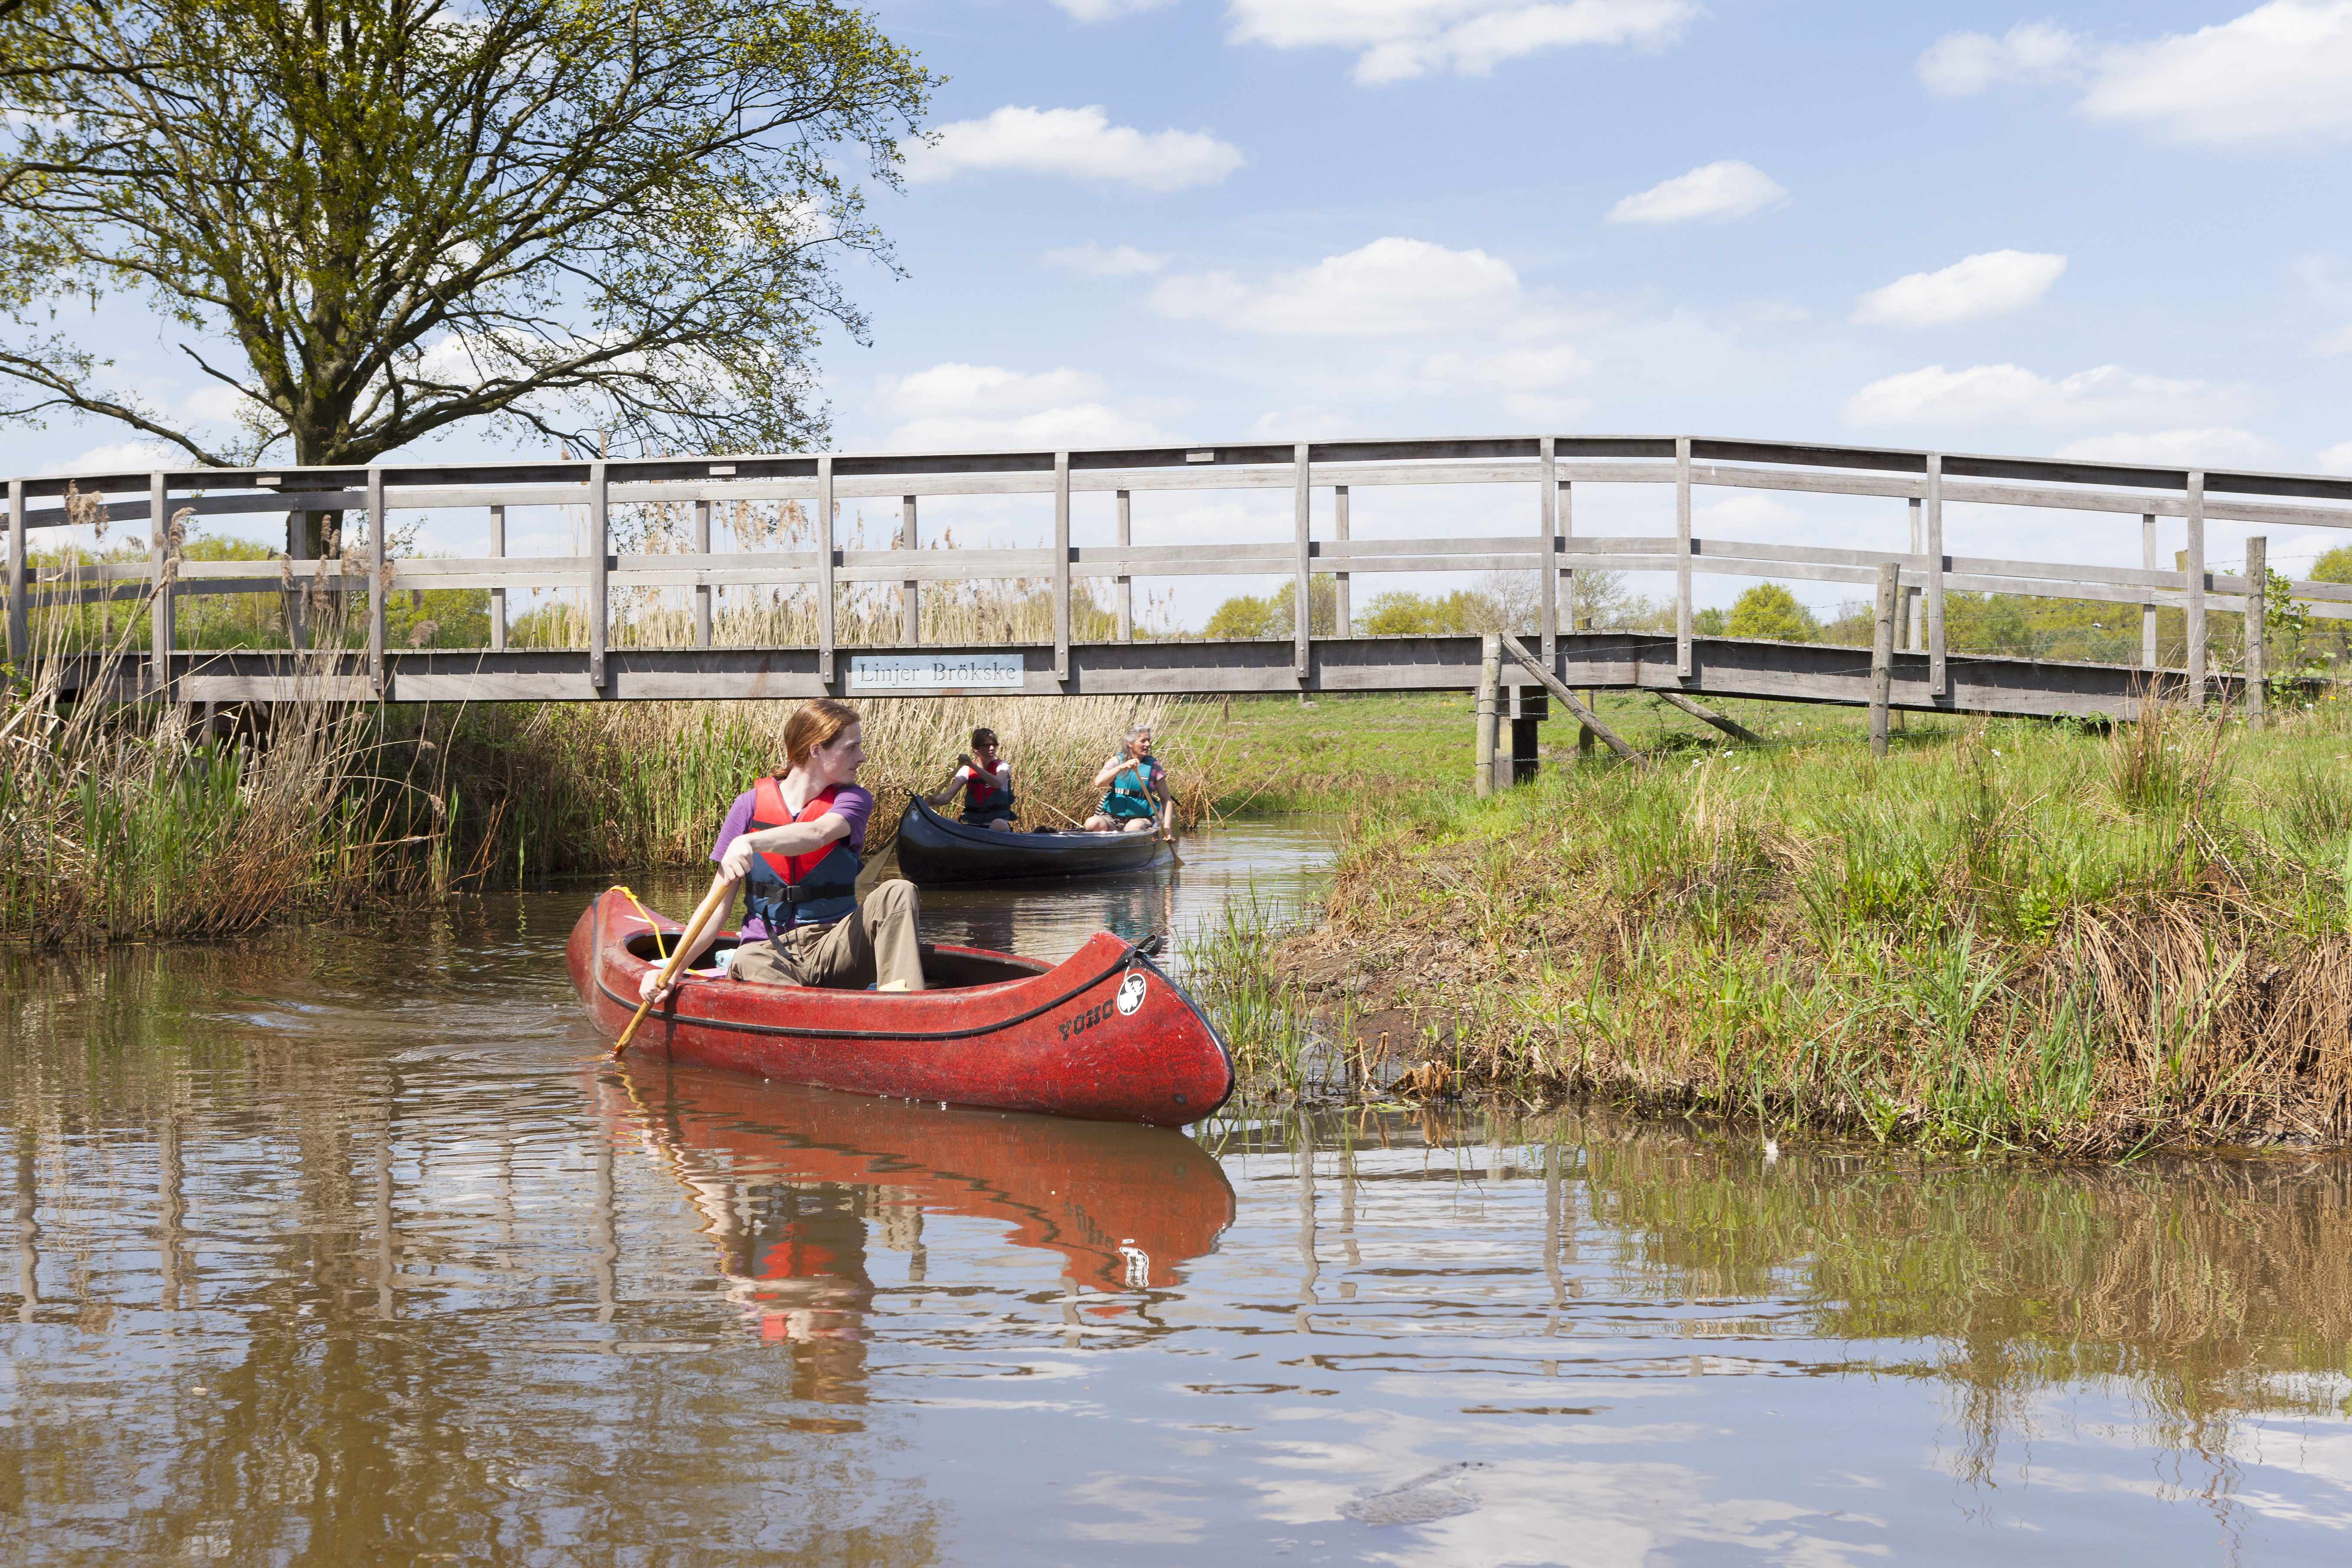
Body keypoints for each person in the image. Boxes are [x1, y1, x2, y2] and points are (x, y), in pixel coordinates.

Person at [638, 698, 925, 1003]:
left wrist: (749, 841)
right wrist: (671, 970)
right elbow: (716, 907)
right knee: (746, 959)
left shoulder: (854, 799)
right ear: (816, 750)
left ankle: (905, 1008)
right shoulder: (747, 806)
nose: (862, 757)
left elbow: (818, 833)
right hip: (767, 953)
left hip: (834, 948)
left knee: (899, 890)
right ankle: (806, 1011)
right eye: (851, 747)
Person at [923, 726, 1016, 830]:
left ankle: (985, 843)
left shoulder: (1002, 766)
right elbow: (948, 796)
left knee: (998, 823)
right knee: (948, 822)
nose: (992, 748)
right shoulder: (966, 771)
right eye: (987, 745)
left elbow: (998, 783)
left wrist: (973, 765)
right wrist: (933, 801)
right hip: (973, 828)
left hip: (996, 828)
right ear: (976, 749)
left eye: (994, 745)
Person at [1084, 724, 1168, 835]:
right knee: (1092, 823)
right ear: (1130, 744)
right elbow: (1099, 783)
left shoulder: (1154, 767)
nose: (1148, 744)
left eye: (1149, 740)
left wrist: (1167, 828)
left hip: (1141, 820)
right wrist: (1122, 767)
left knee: (1134, 827)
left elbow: (1166, 800)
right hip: (1112, 818)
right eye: (1143, 741)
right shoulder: (1116, 761)